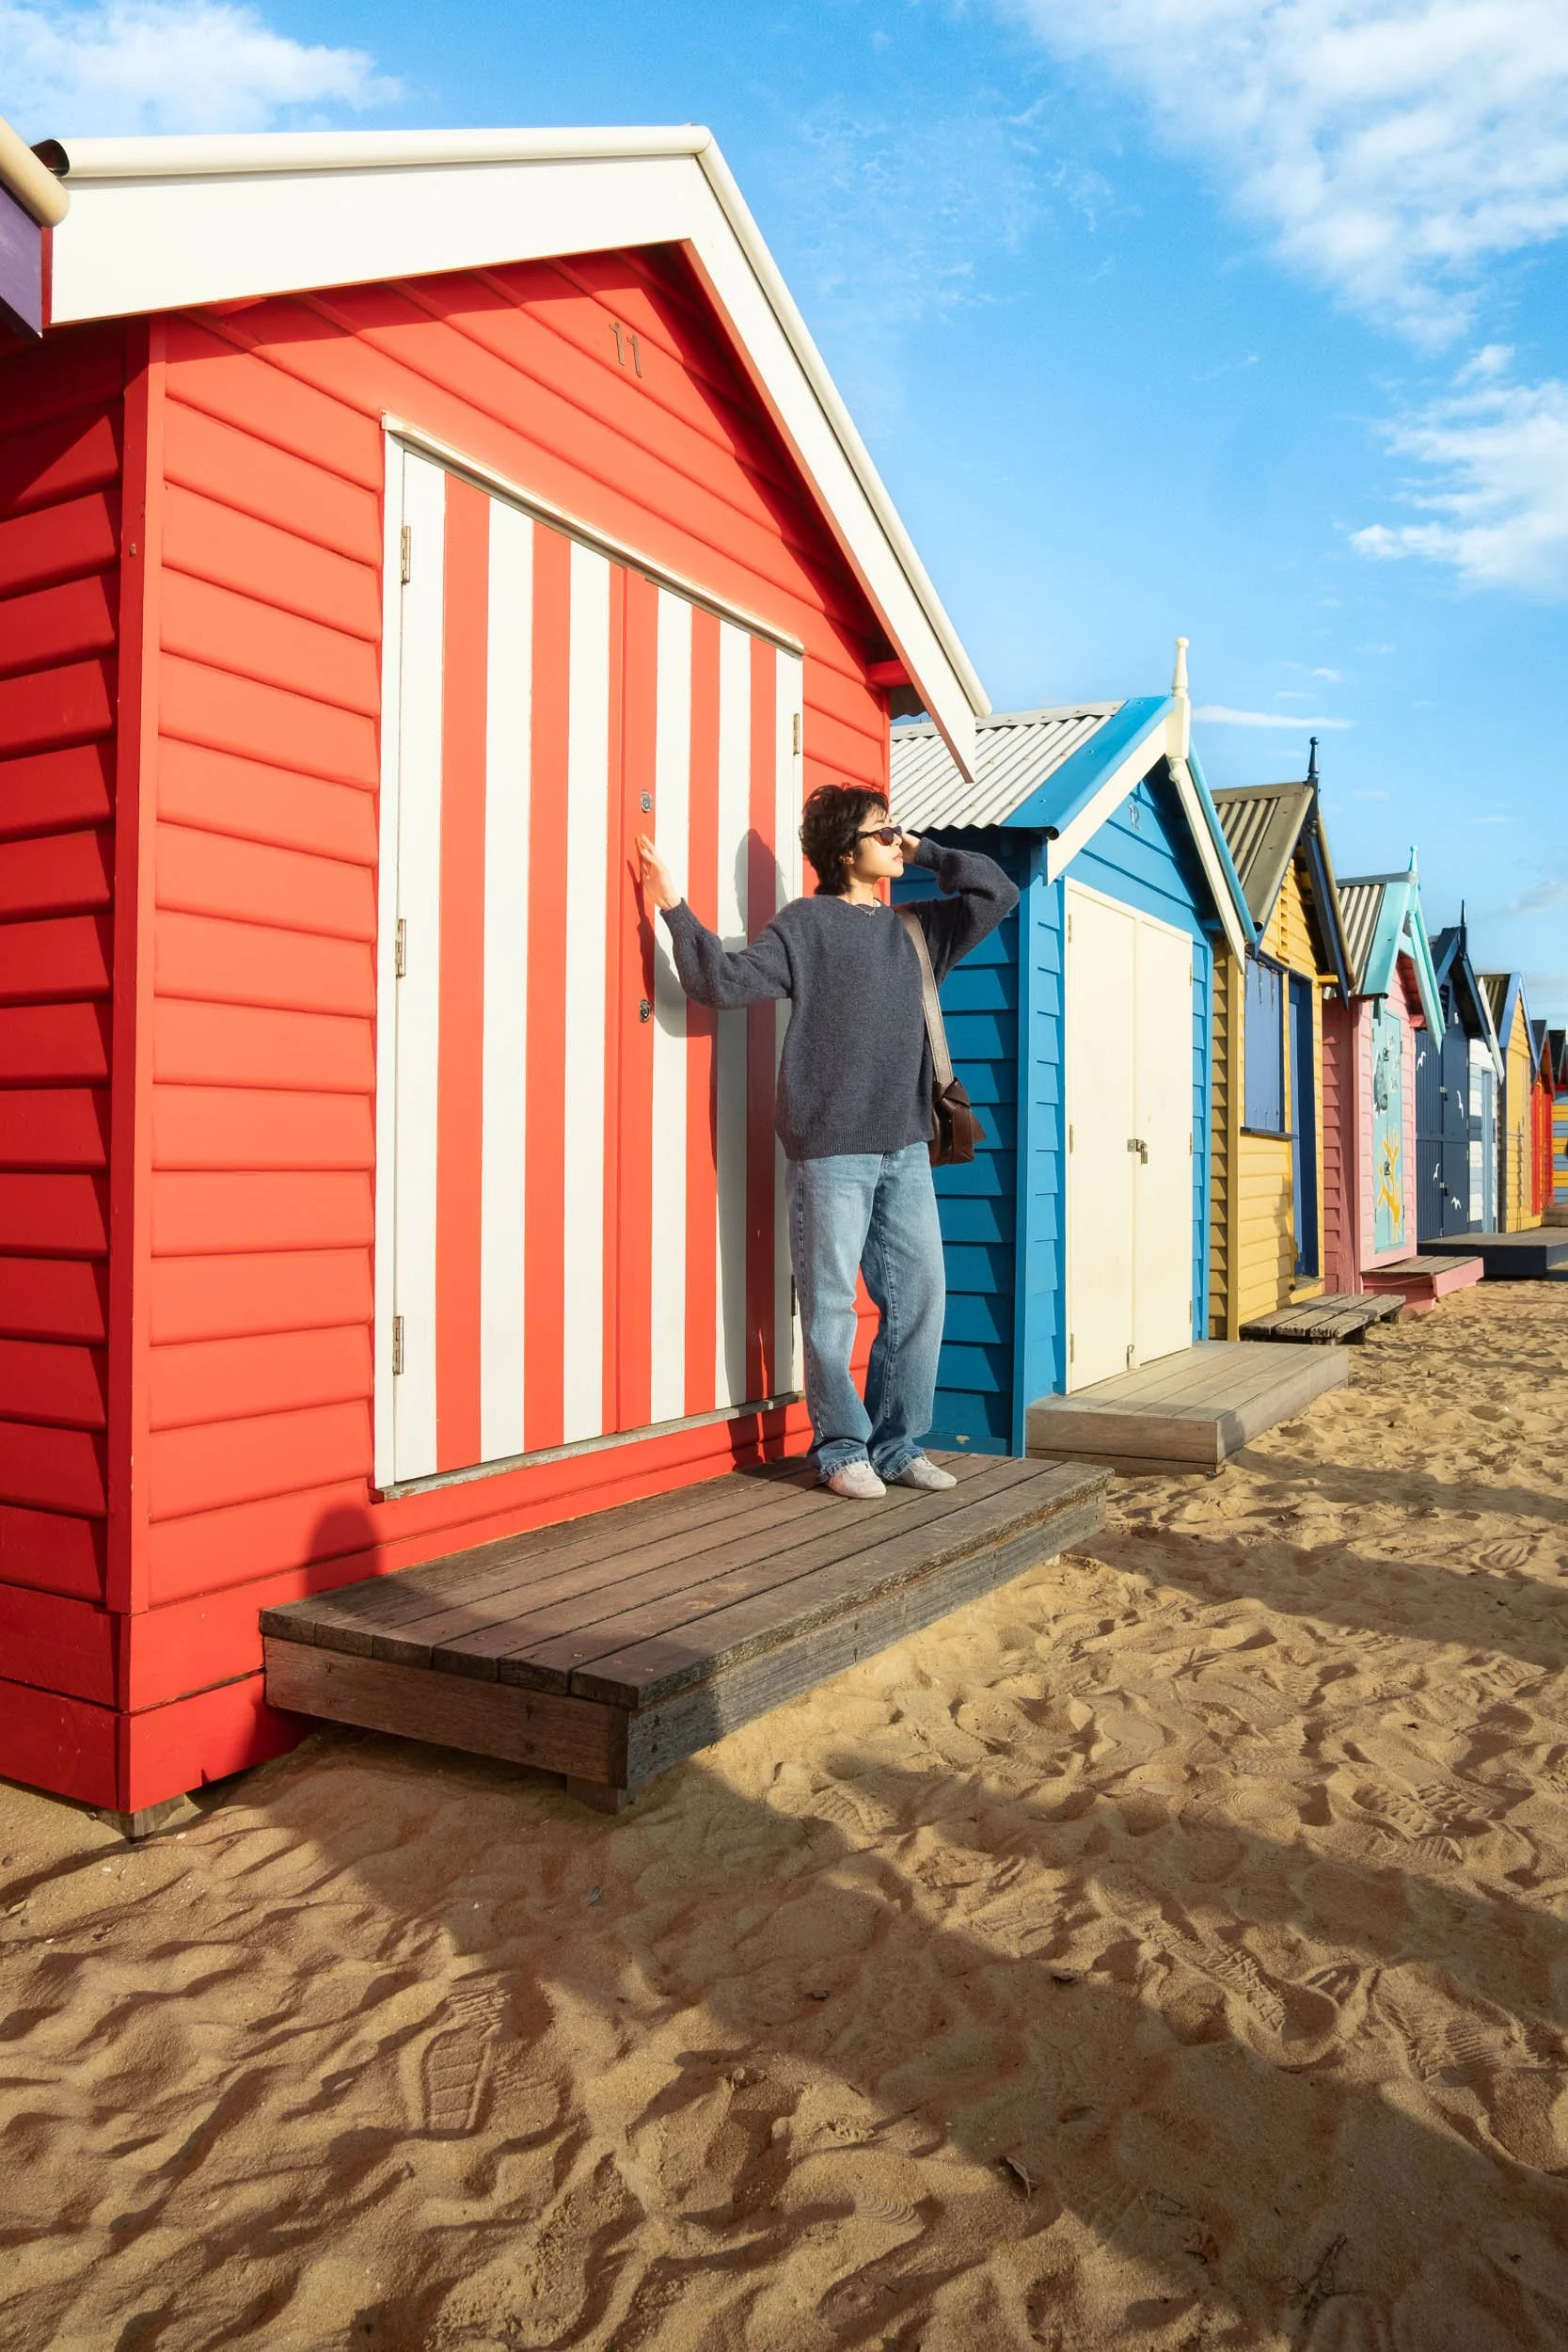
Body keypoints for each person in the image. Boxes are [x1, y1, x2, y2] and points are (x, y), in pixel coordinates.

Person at [637, 784, 1018, 1500]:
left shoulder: (917, 928)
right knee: (832, 1307)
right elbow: (719, 982)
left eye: (897, 829)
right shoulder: (805, 925)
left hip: (905, 1146)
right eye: (883, 831)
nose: (896, 839)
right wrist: (673, 905)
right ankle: (842, 1449)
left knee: (922, 1297)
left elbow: (997, 892)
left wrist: (927, 850)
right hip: (830, 1150)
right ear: (845, 851)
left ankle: (897, 1443)